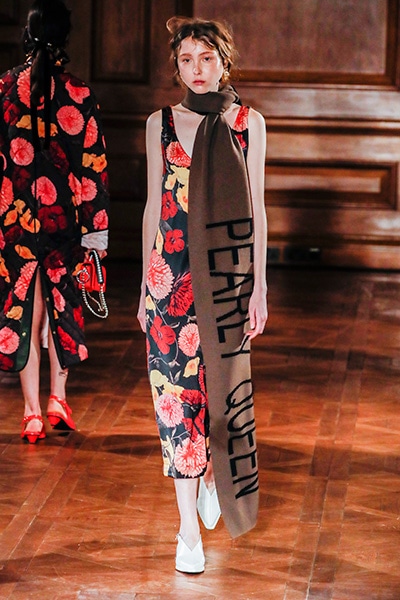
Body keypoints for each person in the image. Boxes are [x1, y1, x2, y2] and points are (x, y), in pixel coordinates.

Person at [137, 16, 267, 573]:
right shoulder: (160, 124)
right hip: (169, 281)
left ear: (223, 62)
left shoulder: (247, 123)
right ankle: (187, 528)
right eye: (186, 60)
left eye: (206, 58)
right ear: (177, 66)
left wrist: (260, 286)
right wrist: (145, 285)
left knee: (220, 395)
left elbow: (258, 210)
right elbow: (154, 205)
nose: (196, 69)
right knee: (176, 400)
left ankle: (214, 471)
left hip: (226, 282)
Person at [0, 0, 109, 443]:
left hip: (14, 219)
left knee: (25, 307)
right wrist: (96, 231)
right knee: (62, 305)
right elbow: (93, 167)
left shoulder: (4, 87)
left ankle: (30, 413)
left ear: (27, 35)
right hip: (67, 220)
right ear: (65, 38)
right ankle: (57, 398)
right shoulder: (79, 93)